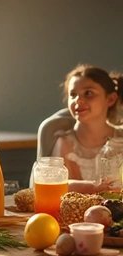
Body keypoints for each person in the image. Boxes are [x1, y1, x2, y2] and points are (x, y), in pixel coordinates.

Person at [50, 64, 123, 194]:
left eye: (88, 93)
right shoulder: (65, 143)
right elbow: (57, 185)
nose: (78, 100)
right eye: (73, 95)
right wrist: (94, 187)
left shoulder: (121, 137)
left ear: (111, 99)